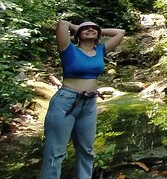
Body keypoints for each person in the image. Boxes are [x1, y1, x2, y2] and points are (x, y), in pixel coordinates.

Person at [41, 20, 126, 179]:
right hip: (66, 102)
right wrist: (75, 28)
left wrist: (98, 30)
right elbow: (62, 24)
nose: (90, 30)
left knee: (87, 151)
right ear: (77, 35)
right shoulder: (68, 49)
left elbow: (120, 32)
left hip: (89, 105)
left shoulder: (101, 50)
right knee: (56, 152)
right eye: (85, 28)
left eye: (94, 29)